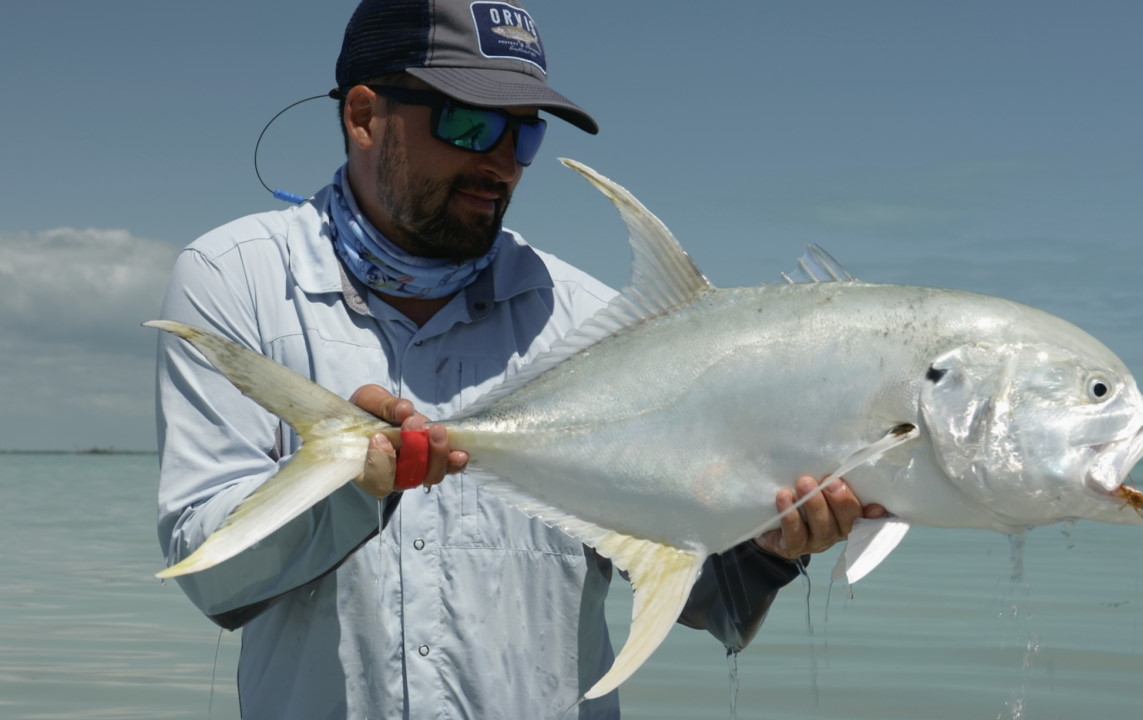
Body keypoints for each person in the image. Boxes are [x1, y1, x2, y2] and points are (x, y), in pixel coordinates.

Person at [155, 1, 883, 717]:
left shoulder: (593, 321)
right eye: (468, 122)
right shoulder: (237, 279)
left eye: (525, 131)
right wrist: (354, 489)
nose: (501, 162)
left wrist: (770, 545)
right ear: (365, 116)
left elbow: (711, 603)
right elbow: (213, 579)